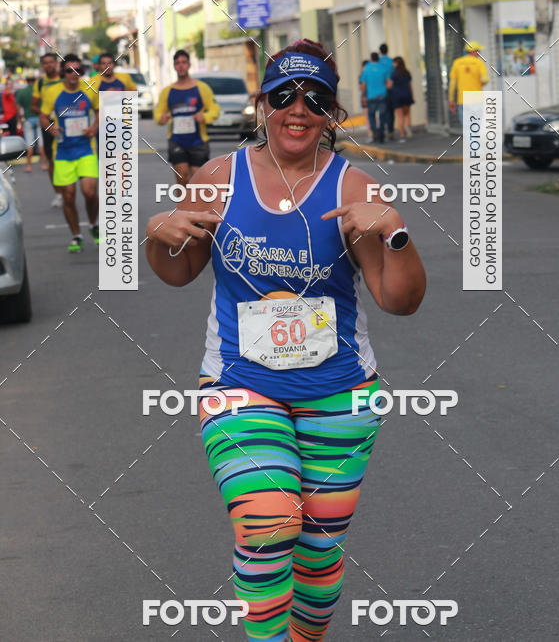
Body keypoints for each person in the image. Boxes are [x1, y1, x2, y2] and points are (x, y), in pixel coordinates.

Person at [146, 38, 426, 642]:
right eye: (285, 96)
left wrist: (396, 233)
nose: (299, 110)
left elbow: (399, 300)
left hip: (341, 392)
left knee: (319, 555)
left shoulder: (354, 188)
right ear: (263, 104)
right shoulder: (218, 177)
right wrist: (157, 234)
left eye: (316, 99)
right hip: (239, 385)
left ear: (331, 114)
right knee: (269, 525)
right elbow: (178, 270)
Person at [39, 54, 100, 253]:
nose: (74, 74)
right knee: (68, 197)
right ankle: (76, 235)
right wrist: (51, 129)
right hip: (63, 152)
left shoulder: (89, 89)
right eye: (69, 70)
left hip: (86, 149)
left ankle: (93, 224)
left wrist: (94, 127)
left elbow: (100, 110)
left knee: (89, 192)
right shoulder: (52, 92)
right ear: (62, 72)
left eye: (78, 70)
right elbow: (43, 116)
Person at [154, 49, 220, 185]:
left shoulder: (202, 88)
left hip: (198, 141)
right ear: (174, 66)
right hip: (176, 140)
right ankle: (183, 200)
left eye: (184, 62)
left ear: (189, 64)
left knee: (197, 180)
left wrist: (205, 116)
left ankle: (195, 200)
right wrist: (162, 118)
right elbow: (158, 113)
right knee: (182, 176)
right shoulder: (167, 91)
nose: (181, 66)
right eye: (177, 63)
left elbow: (215, 109)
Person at [31, 51, 63, 206]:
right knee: (52, 160)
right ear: (42, 66)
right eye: (45, 63)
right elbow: (33, 106)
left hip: (66, 122)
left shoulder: (64, 79)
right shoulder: (40, 83)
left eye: (51, 62)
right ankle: (58, 194)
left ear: (56, 64)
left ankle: (70, 188)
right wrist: (45, 113)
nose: (49, 65)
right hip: (49, 124)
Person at [448, 41, 489, 126]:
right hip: (476, 99)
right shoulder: (479, 62)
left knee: (466, 127)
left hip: (463, 99)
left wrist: (451, 99)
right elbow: (485, 79)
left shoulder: (457, 62)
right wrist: (479, 84)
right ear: (474, 51)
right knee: (476, 126)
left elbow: (452, 83)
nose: (479, 53)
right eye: (478, 51)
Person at [16, 72, 47, 172]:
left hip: (28, 120)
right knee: (41, 143)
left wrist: (20, 120)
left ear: (26, 80)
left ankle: (28, 166)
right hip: (39, 119)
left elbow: (17, 107)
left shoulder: (22, 92)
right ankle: (44, 164)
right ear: (35, 80)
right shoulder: (39, 91)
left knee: (30, 144)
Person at [359, 51, 389, 144]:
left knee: (371, 116)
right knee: (382, 116)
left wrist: (364, 96)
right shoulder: (383, 68)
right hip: (382, 95)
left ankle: (375, 132)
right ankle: (381, 135)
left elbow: (363, 84)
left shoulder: (366, 69)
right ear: (378, 58)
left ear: (371, 58)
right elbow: (388, 83)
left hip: (371, 96)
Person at [388, 56, 414, 143]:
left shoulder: (394, 73)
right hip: (407, 95)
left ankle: (402, 135)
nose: (393, 64)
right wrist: (411, 96)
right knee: (407, 115)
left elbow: (390, 85)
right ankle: (408, 129)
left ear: (396, 64)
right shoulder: (407, 72)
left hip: (397, 96)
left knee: (400, 116)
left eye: (394, 63)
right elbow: (410, 85)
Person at [378, 43, 395, 141]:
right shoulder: (391, 61)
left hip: (380, 89)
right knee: (390, 111)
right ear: (387, 50)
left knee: (382, 112)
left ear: (380, 51)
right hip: (390, 89)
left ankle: (382, 131)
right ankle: (390, 131)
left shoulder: (378, 62)